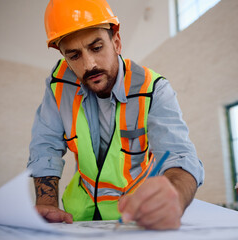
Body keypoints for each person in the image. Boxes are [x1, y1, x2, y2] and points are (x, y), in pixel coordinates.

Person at [27, 0, 204, 230]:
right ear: (64, 57)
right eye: (74, 55)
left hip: (134, 220)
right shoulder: (58, 83)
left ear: (116, 42)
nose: (89, 64)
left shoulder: (153, 89)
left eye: (96, 47)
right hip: (77, 218)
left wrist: (175, 197)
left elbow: (180, 155)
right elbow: (46, 144)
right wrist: (47, 203)